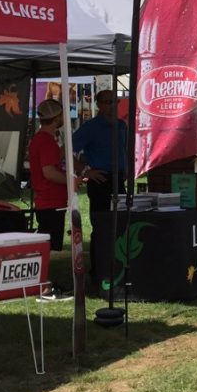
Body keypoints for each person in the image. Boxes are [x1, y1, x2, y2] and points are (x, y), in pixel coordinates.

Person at [72, 89, 128, 291]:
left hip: (118, 181)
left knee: (119, 224)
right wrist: (86, 171)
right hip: (101, 180)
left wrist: (127, 170)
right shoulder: (91, 128)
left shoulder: (122, 126)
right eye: (107, 101)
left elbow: (125, 151)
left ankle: (117, 267)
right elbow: (67, 152)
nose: (112, 105)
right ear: (99, 105)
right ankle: (98, 272)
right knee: (102, 226)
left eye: (115, 101)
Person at [29, 99, 75, 299]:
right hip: (50, 200)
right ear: (56, 118)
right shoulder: (45, 141)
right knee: (48, 245)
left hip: (48, 199)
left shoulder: (42, 139)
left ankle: (44, 284)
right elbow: (49, 172)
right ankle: (43, 286)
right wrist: (71, 180)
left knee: (50, 243)